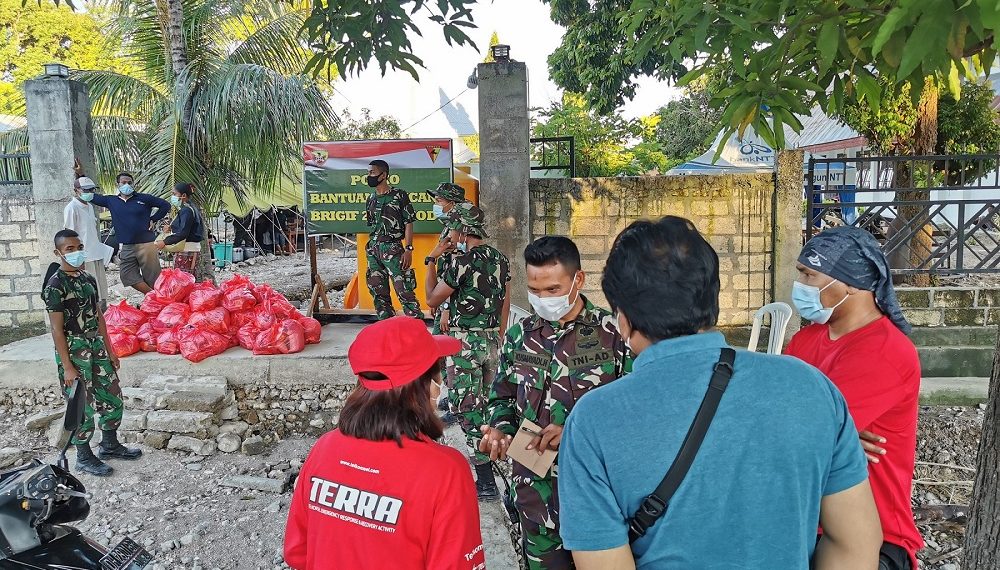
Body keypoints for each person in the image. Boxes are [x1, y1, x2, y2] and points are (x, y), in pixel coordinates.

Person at [557, 216, 882, 569]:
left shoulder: (594, 420)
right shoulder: (813, 388)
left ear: (622, 319)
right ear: (713, 299)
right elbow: (857, 543)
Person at [283, 316, 486, 570]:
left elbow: (297, 552)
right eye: (438, 373)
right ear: (423, 386)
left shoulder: (325, 448)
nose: (440, 386)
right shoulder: (446, 471)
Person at [479, 236, 631, 570]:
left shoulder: (614, 334)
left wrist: (577, 432)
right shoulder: (520, 335)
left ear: (578, 280)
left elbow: (637, 411)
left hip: (597, 500)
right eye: (535, 291)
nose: (543, 300)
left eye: (553, 289)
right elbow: (501, 397)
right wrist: (502, 432)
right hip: (535, 499)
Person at [785, 226, 923, 570]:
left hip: (875, 537)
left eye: (809, 274)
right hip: (803, 520)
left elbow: (794, 439)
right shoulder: (806, 340)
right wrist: (833, 438)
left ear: (850, 284)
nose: (799, 284)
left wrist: (823, 438)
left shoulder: (885, 353)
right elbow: (792, 426)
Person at [425, 205, 510, 500]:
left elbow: (431, 299)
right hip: (491, 342)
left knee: (468, 411)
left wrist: (432, 260)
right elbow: (505, 299)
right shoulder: (500, 259)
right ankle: (497, 457)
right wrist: (499, 335)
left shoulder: (460, 262)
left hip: (465, 347)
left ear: (462, 231)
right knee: (487, 406)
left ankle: (486, 483)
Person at [42, 230, 143, 477]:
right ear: (58, 253)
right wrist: (67, 366)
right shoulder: (56, 285)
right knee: (81, 404)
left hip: (96, 345)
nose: (76, 252)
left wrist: (110, 351)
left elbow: (99, 317)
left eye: (79, 247)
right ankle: (84, 456)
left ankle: (109, 444)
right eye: (69, 249)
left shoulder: (87, 278)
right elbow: (56, 330)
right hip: (74, 349)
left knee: (112, 395)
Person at [426, 182, 473, 416]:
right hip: (446, 296)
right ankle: (452, 396)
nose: (436, 204)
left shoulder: (460, 228)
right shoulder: (449, 225)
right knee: (441, 350)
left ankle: (457, 403)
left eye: (440, 200)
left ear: (452, 203)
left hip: (454, 303)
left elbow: (458, 273)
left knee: (449, 351)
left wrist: (445, 305)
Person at [90, 172, 170, 293]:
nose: (127, 185)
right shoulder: (111, 200)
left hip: (146, 244)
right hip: (127, 245)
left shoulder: (144, 198)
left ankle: (156, 305)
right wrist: (80, 175)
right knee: (127, 276)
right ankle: (151, 296)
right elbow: (92, 196)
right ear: (118, 184)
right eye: (123, 182)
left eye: (129, 182)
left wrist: (153, 218)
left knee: (153, 278)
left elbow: (165, 205)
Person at [364, 159, 421, 320]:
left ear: (384, 175)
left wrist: (408, 249)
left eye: (372, 172)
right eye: (368, 173)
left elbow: (409, 222)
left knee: (404, 289)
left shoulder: (399, 195)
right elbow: (372, 224)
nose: (369, 176)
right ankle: (386, 323)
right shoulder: (371, 198)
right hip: (373, 249)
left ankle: (415, 324)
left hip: (393, 248)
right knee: (377, 290)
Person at [64, 176, 114, 311]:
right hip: (85, 257)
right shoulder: (71, 208)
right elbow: (69, 235)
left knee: (101, 292)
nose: (89, 192)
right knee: (89, 293)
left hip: (96, 254)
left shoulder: (90, 207)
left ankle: (101, 322)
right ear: (76, 191)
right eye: (85, 190)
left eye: (91, 189)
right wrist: (76, 259)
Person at [155, 182, 204, 276]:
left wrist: (165, 242)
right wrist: (172, 227)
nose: (172, 197)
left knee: (183, 280)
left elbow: (183, 233)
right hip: (190, 249)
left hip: (187, 249)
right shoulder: (191, 208)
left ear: (184, 195)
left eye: (174, 194)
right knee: (187, 278)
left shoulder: (187, 210)